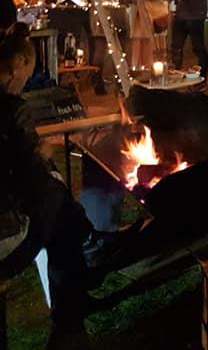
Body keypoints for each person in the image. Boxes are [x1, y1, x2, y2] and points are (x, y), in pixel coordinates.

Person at [0, 23, 116, 348]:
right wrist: (44, 154)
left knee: (55, 193)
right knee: (58, 208)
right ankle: (70, 324)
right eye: (27, 73)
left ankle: (88, 248)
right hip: (6, 240)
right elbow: (29, 179)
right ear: (14, 70)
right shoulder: (11, 109)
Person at [90, 0, 130, 95]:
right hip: (114, 13)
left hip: (96, 14)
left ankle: (97, 81)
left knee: (99, 48)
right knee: (120, 48)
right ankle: (120, 81)